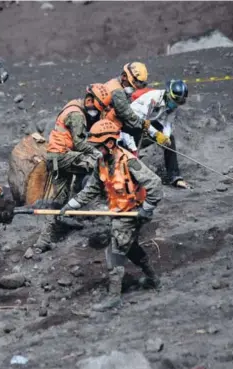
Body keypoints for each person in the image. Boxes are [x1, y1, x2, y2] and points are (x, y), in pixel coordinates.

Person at [61, 119, 163, 311]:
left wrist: (147, 208)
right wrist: (70, 205)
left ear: (109, 143)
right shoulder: (102, 163)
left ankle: (114, 296)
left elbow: (155, 184)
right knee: (130, 247)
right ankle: (153, 279)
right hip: (119, 213)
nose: (94, 151)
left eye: (97, 146)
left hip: (132, 213)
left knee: (114, 251)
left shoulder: (129, 162)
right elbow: (91, 189)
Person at [32, 84, 110, 253]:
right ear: (89, 100)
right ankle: (96, 202)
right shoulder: (77, 115)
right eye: (98, 108)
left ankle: (42, 242)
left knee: (58, 202)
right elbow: (79, 143)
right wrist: (97, 152)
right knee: (94, 162)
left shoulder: (75, 105)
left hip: (56, 158)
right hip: (62, 156)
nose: (98, 112)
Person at [129, 79, 190, 188]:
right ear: (168, 93)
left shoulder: (172, 106)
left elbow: (168, 123)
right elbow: (140, 119)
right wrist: (156, 134)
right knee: (127, 150)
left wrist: (165, 137)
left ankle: (174, 176)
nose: (175, 105)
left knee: (170, 139)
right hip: (131, 124)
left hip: (148, 125)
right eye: (174, 101)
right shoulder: (153, 98)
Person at [103, 62, 153, 140]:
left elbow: (129, 105)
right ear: (124, 76)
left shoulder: (118, 83)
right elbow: (127, 114)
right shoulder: (117, 91)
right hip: (104, 123)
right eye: (132, 83)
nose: (134, 87)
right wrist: (142, 124)